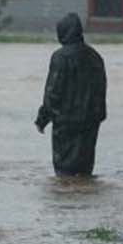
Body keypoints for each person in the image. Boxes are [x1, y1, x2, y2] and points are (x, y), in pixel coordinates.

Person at [35, 12, 107, 176]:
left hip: (65, 125)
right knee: (85, 171)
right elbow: (101, 90)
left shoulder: (60, 58)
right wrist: (98, 117)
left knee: (64, 173)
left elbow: (53, 93)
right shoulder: (95, 57)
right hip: (90, 124)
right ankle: (82, 199)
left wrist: (42, 119)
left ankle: (68, 200)